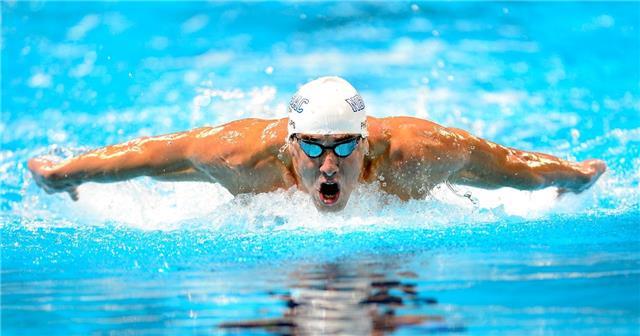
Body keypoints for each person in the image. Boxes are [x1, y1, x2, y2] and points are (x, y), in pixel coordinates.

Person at [28, 76, 606, 212]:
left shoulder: (414, 153)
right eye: (311, 148)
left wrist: (569, 175)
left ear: (367, 142)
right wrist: (69, 173)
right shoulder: (244, 155)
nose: (327, 165)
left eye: (341, 148)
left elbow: (505, 165)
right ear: (289, 144)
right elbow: (148, 157)